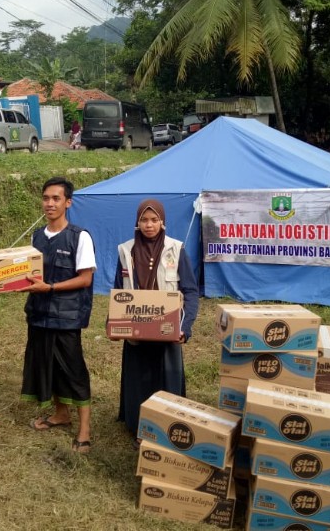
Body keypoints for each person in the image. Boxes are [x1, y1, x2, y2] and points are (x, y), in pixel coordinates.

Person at [18, 177, 96, 454]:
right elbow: (29, 274)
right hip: (39, 314)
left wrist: (49, 287)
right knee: (47, 366)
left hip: (66, 316)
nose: (50, 203)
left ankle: (84, 429)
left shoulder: (80, 237)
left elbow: (85, 279)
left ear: (68, 202)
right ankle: (61, 414)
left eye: (56, 199)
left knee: (73, 370)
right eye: (46, 198)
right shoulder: (37, 237)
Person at [113, 199, 198, 448]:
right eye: (144, 220)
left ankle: (168, 424)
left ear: (163, 222)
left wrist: (185, 326)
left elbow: (190, 291)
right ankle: (140, 425)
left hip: (167, 328)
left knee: (166, 376)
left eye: (154, 220)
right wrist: (114, 323)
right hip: (138, 327)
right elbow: (119, 291)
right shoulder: (125, 250)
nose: (149, 225)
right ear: (137, 223)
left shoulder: (176, 249)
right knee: (139, 376)